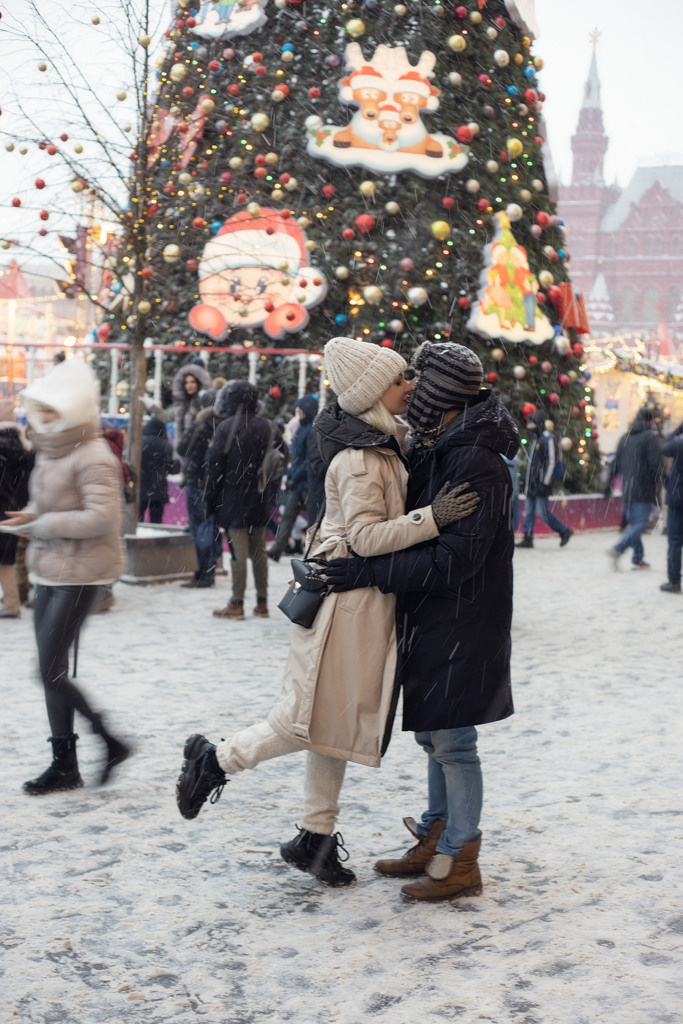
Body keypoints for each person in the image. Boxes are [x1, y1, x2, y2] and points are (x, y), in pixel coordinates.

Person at [175, 337, 479, 887]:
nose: (410, 386)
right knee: (308, 720)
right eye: (399, 380)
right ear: (371, 394)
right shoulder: (362, 458)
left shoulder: (383, 442)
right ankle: (215, 761)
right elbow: (365, 537)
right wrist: (432, 518)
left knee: (330, 721)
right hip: (345, 605)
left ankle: (315, 838)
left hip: (360, 601)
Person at [324, 341, 519, 902]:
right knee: (435, 734)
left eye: (419, 380)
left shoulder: (474, 459)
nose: (411, 390)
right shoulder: (442, 445)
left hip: (463, 618)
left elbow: (457, 559)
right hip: (436, 614)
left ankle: (461, 856)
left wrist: (371, 571)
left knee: (454, 740)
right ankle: (437, 833)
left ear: (440, 394)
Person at [2, 359, 131, 793]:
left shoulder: (94, 455)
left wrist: (42, 525)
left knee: (48, 670)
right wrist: (29, 517)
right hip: (50, 569)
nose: (42, 416)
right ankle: (65, 765)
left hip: (83, 572)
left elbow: (102, 518)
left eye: (51, 408)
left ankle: (110, 741)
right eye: (40, 408)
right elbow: (50, 504)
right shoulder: (49, 448)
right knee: (50, 669)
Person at [206, 381, 273, 620]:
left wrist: (209, 500)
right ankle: (262, 603)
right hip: (259, 497)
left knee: (238, 554)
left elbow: (214, 466)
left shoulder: (227, 427)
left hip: (233, 498)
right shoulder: (266, 425)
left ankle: (236, 603)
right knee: (259, 552)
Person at [177, 386, 226, 588]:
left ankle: (205, 572)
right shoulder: (224, 426)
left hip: (197, 483)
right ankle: (210, 565)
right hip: (216, 484)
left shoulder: (201, 425)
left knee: (199, 527)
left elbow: (182, 448)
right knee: (210, 525)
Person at [604, 407, 662, 570]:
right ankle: (618, 548)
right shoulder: (649, 437)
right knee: (641, 524)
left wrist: (608, 484)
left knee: (635, 524)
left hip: (627, 488)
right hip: (643, 487)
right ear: (650, 421)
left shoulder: (625, 437)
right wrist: (662, 480)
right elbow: (654, 464)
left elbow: (615, 464)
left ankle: (638, 558)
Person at [267, 394, 319, 561]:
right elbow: (298, 458)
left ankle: (313, 551)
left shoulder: (312, 430)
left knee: (312, 521)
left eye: (300, 410)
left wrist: (294, 476)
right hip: (297, 482)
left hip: (306, 483)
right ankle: (278, 548)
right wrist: (291, 475)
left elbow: (308, 459)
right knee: (288, 516)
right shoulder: (302, 429)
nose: (298, 412)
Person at [516, 410, 573, 548]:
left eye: (532, 424)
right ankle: (528, 537)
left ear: (539, 424)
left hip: (541, 483)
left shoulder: (548, 439)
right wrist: (525, 478)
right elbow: (532, 463)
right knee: (529, 510)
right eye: (528, 424)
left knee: (542, 511)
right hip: (532, 483)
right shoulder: (535, 439)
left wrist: (545, 482)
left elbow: (552, 462)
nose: (529, 427)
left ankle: (563, 530)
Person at [0, 398, 34, 619]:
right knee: (7, 559)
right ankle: (12, 601)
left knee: (5, 560)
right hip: (17, 509)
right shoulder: (23, 446)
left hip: (4, 507)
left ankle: (11, 603)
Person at [139, 417, 179, 524]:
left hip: (140, 488)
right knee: (156, 522)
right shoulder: (166, 446)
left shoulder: (139, 443)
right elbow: (174, 469)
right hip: (158, 488)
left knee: (137, 521)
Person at [659, 421, 683, 593]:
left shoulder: (679, 443)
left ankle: (674, 582)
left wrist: (678, 430)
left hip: (678, 498)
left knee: (674, 541)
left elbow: (664, 447)